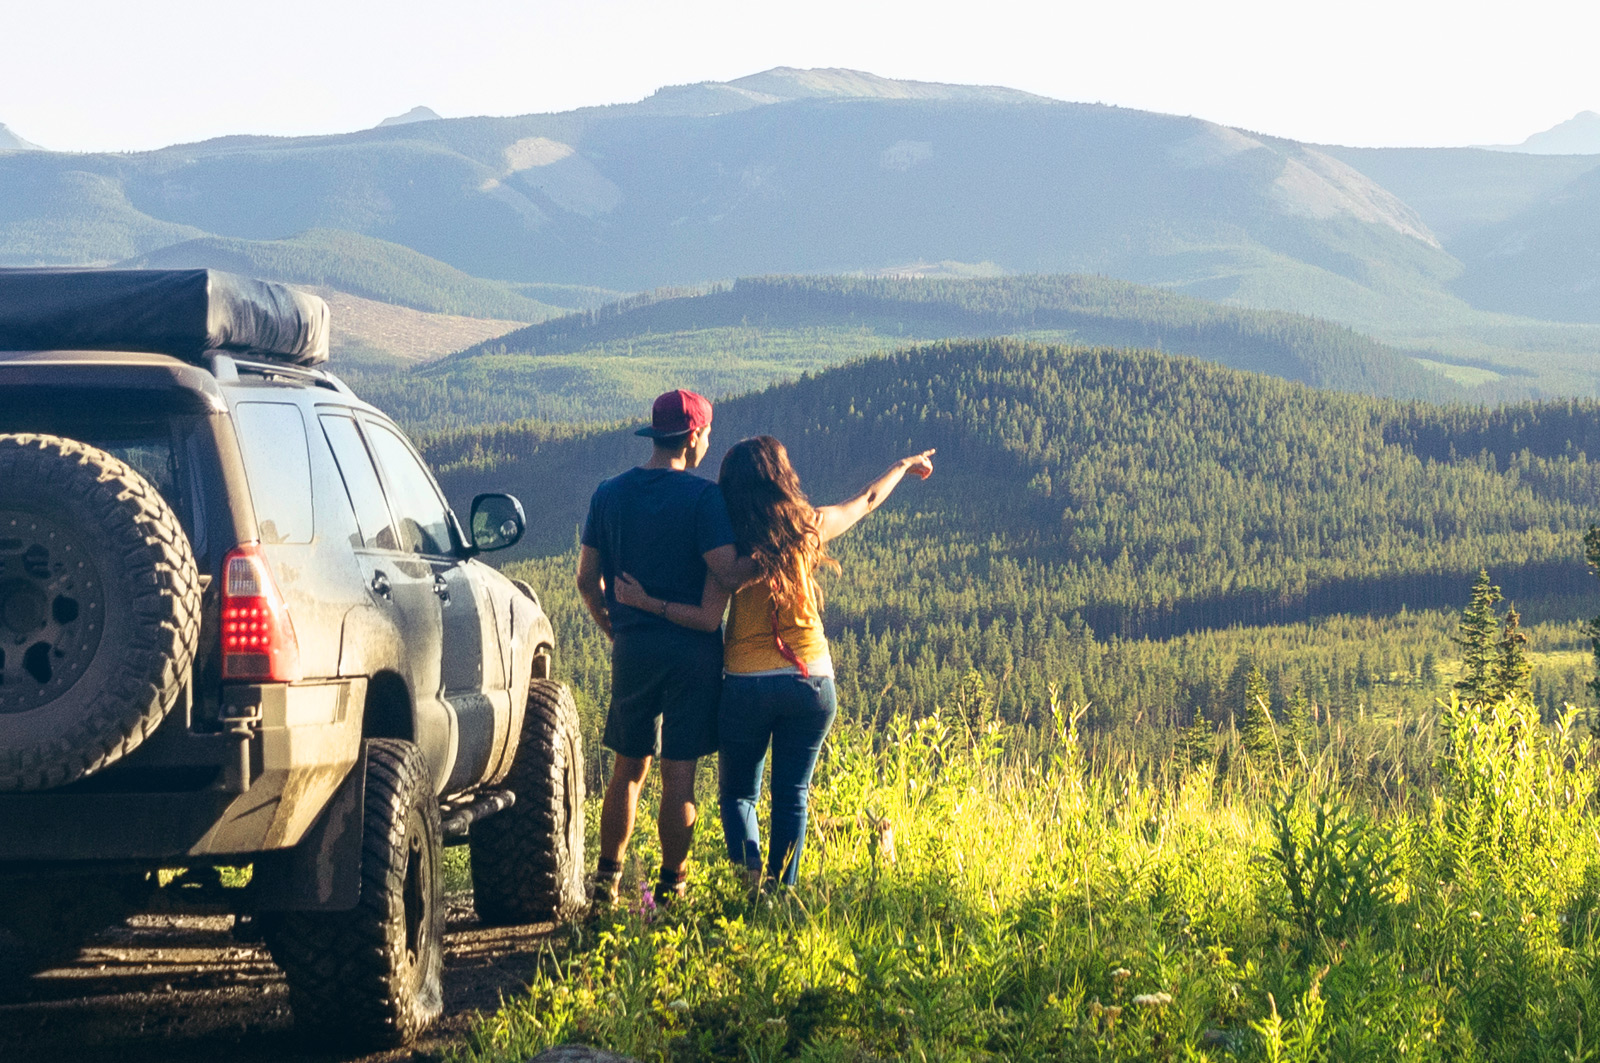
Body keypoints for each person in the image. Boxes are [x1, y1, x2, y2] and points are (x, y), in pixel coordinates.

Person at [615, 436, 935, 887]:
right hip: (813, 681)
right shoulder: (808, 526)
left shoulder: (730, 547)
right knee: (792, 796)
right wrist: (903, 464)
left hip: (748, 683)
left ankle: (750, 886)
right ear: (783, 479)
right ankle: (783, 892)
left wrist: (647, 603)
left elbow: (707, 617)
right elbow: (866, 499)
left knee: (739, 795)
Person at [576, 389, 754, 907]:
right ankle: (673, 887)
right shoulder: (704, 500)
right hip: (694, 653)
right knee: (680, 773)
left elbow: (587, 580)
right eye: (707, 436)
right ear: (694, 437)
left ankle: (606, 881)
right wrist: (778, 552)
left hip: (634, 649)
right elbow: (725, 571)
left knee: (627, 767)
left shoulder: (608, 494)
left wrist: (615, 629)